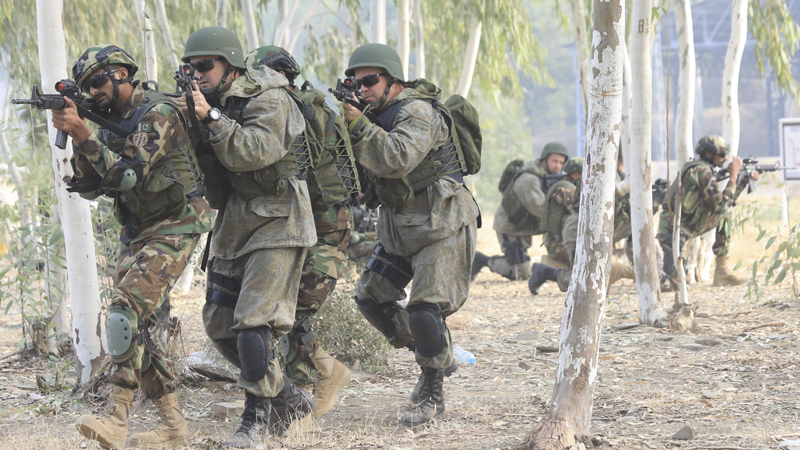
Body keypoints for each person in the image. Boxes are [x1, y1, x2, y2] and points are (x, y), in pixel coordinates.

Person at [52, 44, 212, 449]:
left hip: (177, 223)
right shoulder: (109, 122)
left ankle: (116, 420)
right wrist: (78, 136)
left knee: (123, 312)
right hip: (139, 229)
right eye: (86, 88)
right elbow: (92, 187)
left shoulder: (156, 113)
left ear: (122, 73)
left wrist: (84, 133)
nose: (93, 92)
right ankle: (174, 426)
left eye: (99, 81)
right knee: (135, 326)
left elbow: (125, 177)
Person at [174, 28, 315, 448]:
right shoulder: (206, 100)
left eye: (205, 67)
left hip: (279, 218)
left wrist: (210, 118)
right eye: (190, 68)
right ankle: (287, 396)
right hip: (235, 221)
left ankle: (256, 420)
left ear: (231, 67)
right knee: (219, 323)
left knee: (255, 324)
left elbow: (253, 150)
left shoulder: (272, 98)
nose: (196, 75)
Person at [341, 43, 479, 427]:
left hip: (442, 222)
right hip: (401, 229)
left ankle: (433, 392)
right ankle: (434, 349)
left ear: (393, 80)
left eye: (370, 80)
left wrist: (358, 124)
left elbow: (397, 156)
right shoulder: (373, 116)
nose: (362, 87)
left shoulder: (418, 111)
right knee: (370, 297)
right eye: (356, 81)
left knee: (424, 309)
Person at [247, 45, 357, 418]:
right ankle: (304, 397)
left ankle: (322, 377)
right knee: (286, 310)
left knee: (290, 311)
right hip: (312, 221)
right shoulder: (310, 105)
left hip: (322, 224)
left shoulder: (290, 109)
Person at [656, 135, 757, 291]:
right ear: (709, 154)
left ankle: (721, 271)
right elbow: (720, 205)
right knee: (670, 284)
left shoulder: (699, 169)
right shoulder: (702, 170)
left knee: (724, 216)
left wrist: (742, 182)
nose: (725, 158)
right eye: (722, 155)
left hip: (685, 226)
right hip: (674, 231)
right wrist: (734, 177)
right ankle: (622, 270)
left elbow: (722, 204)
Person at [528, 157, 634, 294]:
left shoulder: (567, 187)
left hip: (568, 237)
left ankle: (546, 272)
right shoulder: (567, 190)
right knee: (585, 279)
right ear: (577, 175)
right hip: (561, 243)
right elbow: (584, 218)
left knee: (592, 274)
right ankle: (545, 272)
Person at [471, 142, 569, 281]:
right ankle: (482, 260)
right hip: (511, 227)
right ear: (544, 159)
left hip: (527, 224)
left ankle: (563, 262)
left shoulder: (552, 175)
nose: (557, 166)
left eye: (561, 162)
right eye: (554, 161)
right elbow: (542, 211)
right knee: (521, 272)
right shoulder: (528, 180)